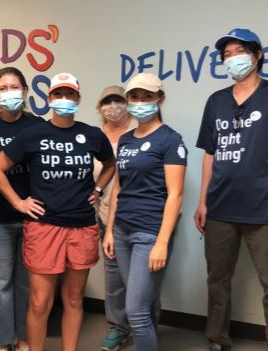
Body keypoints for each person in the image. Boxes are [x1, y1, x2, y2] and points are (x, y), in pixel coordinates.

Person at [0, 72, 116, 351]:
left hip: (82, 226)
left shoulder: (92, 135)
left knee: (73, 300)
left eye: (70, 94)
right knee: (39, 302)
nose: (64, 99)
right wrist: (18, 202)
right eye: (58, 94)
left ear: (78, 99)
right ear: (49, 98)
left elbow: (110, 164)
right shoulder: (33, 134)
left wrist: (97, 190)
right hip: (44, 227)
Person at [194, 28, 268, 351]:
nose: (232, 59)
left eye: (239, 51)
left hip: (262, 207)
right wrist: (202, 201)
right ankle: (217, 338)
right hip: (220, 208)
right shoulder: (216, 101)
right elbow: (209, 153)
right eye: (227, 54)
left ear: (257, 55)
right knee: (218, 281)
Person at [102, 73, 187, 351]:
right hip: (122, 231)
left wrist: (162, 242)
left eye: (147, 97)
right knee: (143, 306)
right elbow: (118, 188)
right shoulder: (126, 140)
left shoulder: (170, 140)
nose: (139, 102)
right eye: (134, 97)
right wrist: (111, 231)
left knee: (136, 311)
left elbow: (175, 194)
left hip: (148, 234)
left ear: (159, 99)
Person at [0, 67, 43, 351]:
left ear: (25, 92)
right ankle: (0, 341)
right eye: (3, 88)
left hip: (32, 217)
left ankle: (23, 338)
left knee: (26, 285)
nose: (9, 93)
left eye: (14, 87)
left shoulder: (38, 126)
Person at [93, 85, 137, 351]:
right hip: (105, 215)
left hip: (138, 215)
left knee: (142, 277)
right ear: (99, 107)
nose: (113, 106)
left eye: (118, 100)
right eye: (106, 101)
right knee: (113, 277)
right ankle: (118, 327)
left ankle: (145, 326)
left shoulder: (140, 131)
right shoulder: (94, 137)